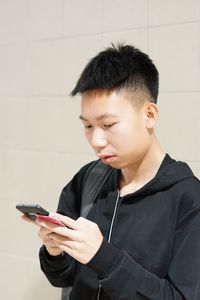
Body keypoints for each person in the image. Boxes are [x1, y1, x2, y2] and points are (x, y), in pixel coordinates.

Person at [31, 44, 200, 299]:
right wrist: (55, 251)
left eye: (108, 124)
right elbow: (62, 277)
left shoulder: (188, 198)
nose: (96, 140)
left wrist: (103, 256)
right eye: (88, 125)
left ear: (150, 114)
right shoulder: (88, 179)